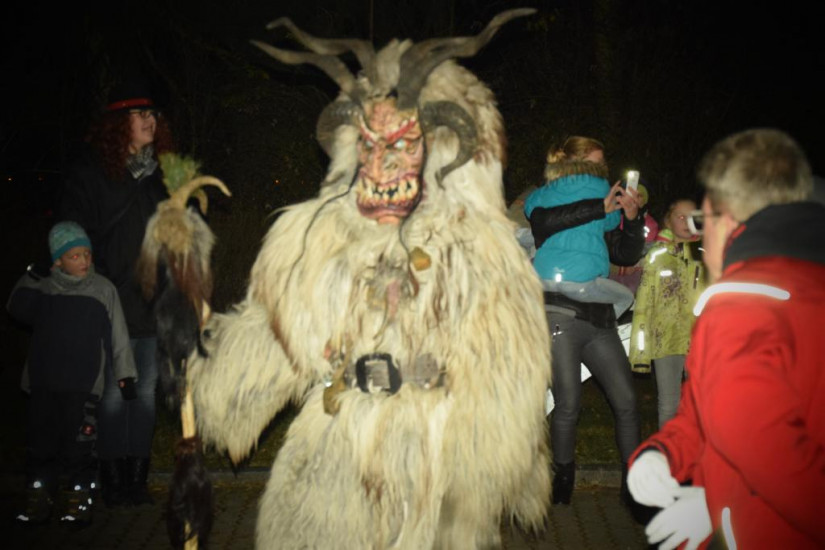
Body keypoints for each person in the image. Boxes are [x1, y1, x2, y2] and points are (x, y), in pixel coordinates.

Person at [627, 128, 825, 549]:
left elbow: (768, 453)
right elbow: (715, 414)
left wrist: (721, 506)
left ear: (726, 219)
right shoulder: (807, 285)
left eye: (703, 221)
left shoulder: (742, 304)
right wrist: (663, 452)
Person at [57, 76, 174, 507]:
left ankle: (135, 481)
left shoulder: (161, 175)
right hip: (108, 304)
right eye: (139, 114)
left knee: (144, 394)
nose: (150, 120)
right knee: (111, 394)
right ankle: (110, 480)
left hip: (152, 303)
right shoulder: (92, 173)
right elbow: (71, 235)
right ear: (117, 124)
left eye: (152, 113)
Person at [524, 136, 646, 509]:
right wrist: (598, 206)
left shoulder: (603, 210)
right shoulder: (546, 198)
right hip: (560, 311)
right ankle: (563, 476)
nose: (600, 170)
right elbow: (543, 223)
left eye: (602, 164)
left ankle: (635, 483)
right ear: (573, 163)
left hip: (599, 315)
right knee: (568, 403)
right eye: (595, 162)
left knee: (626, 401)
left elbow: (624, 253)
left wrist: (632, 220)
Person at [8, 222, 136, 526]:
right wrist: (32, 276)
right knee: (41, 446)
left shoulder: (102, 290)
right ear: (58, 261)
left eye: (86, 254)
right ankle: (39, 499)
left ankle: (79, 501)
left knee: (79, 448)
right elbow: (15, 308)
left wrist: (125, 374)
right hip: (44, 383)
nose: (84, 261)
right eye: (74, 256)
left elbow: (118, 335)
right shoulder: (44, 288)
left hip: (83, 386)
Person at [628, 198, 706, 428]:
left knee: (700, 402)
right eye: (680, 216)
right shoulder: (657, 256)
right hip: (666, 340)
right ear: (668, 221)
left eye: (692, 217)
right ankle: (668, 448)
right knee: (669, 403)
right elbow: (644, 306)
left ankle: (699, 449)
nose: (686, 222)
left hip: (701, 340)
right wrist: (640, 353)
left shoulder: (706, 254)